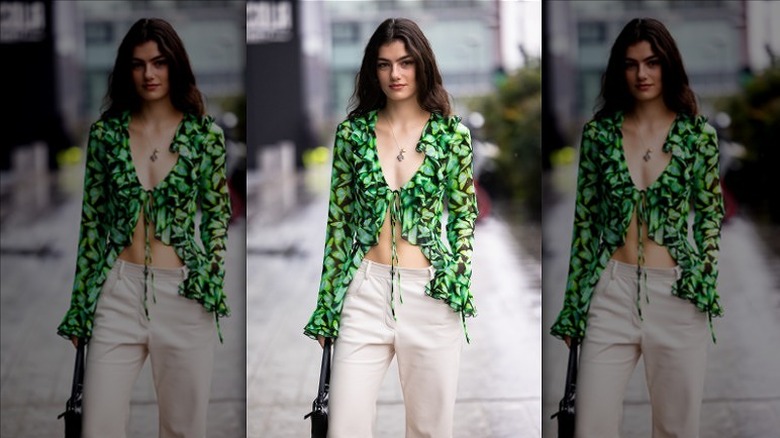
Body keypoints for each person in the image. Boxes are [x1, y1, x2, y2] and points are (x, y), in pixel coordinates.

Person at [303, 17, 478, 438]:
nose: (395, 74)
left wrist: (457, 276)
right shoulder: (351, 135)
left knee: (429, 431)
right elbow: (338, 227)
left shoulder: (452, 135)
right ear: (371, 70)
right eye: (384, 64)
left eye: (405, 62)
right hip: (364, 291)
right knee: (344, 427)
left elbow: (464, 216)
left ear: (422, 65)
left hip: (431, 294)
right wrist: (327, 307)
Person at [56, 18, 231, 438]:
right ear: (125, 70)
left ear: (175, 66)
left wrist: (210, 276)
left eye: (158, 62)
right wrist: (81, 308)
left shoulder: (205, 136)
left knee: (183, 430)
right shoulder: (105, 136)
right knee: (97, 426)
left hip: (184, 296)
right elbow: (92, 227)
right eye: (138, 65)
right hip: (117, 292)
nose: (149, 74)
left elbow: (217, 217)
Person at [550, 18, 724, 438]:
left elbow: (709, 217)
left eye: (652, 62)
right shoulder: (598, 135)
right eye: (631, 65)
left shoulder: (698, 136)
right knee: (590, 426)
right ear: (618, 70)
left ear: (668, 66)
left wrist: (703, 277)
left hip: (677, 296)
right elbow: (585, 227)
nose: (642, 74)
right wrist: (574, 309)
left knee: (676, 429)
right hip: (611, 291)